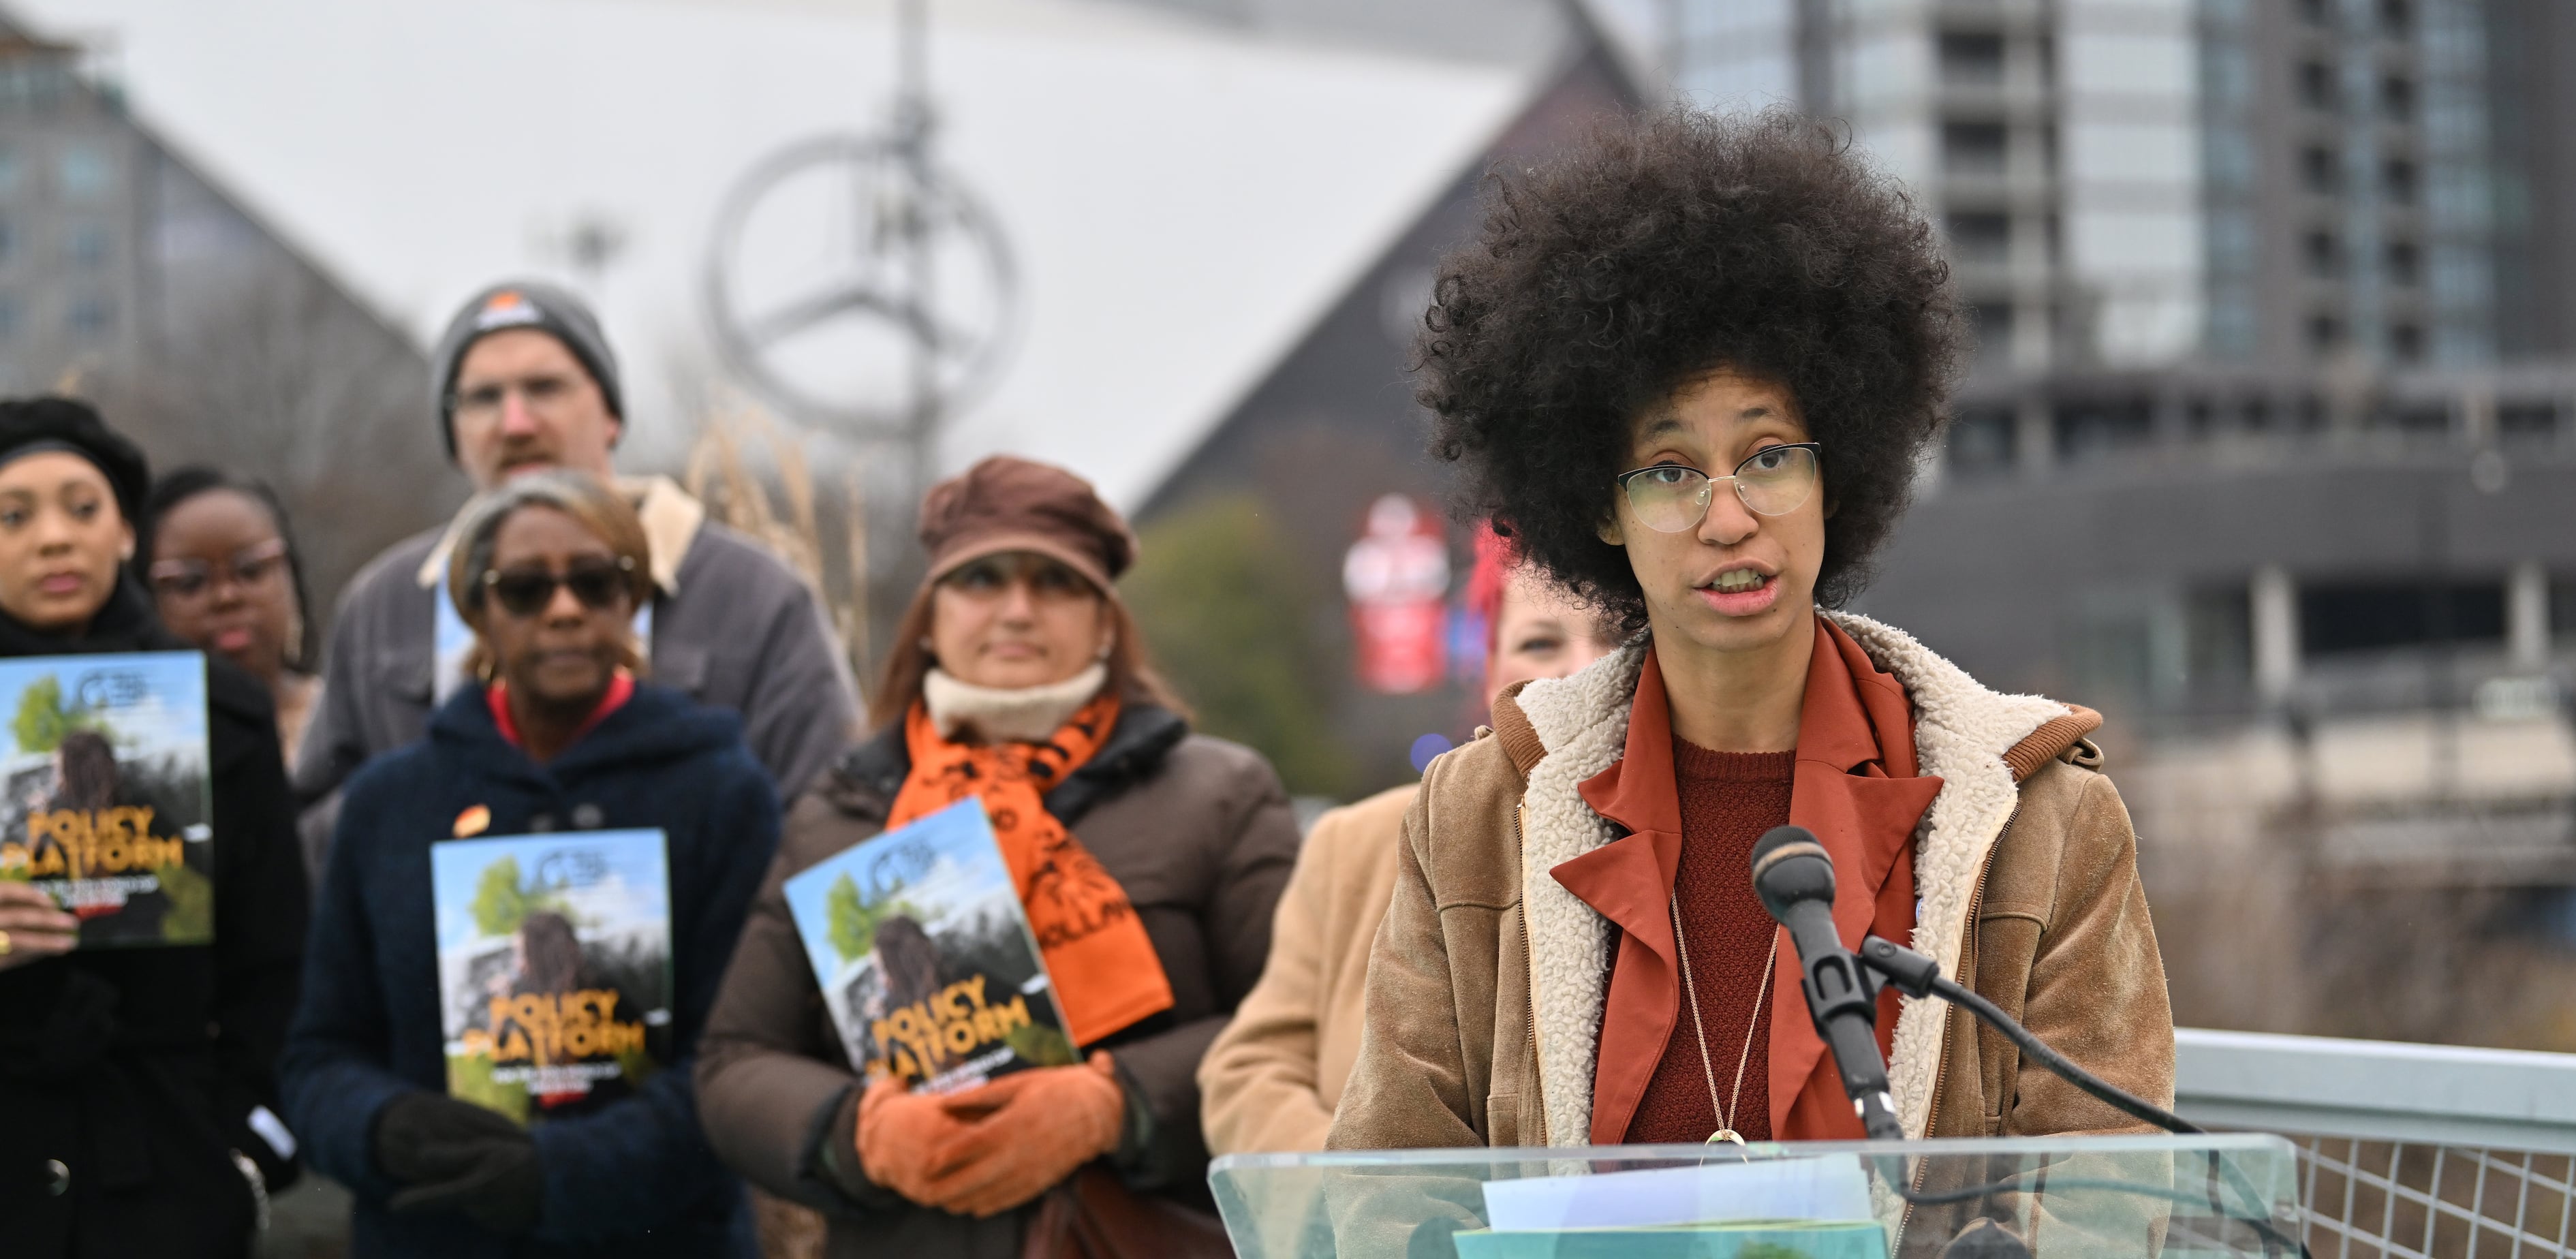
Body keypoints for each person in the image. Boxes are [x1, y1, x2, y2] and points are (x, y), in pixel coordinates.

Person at [1327, 108, 2174, 1160]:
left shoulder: (2043, 822)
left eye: (1769, 456)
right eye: (1672, 472)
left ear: (1838, 475)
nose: (1729, 517)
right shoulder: (1478, 811)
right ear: (1601, 509)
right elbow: (1388, 1189)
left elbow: (2102, 1204)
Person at [696, 455, 1298, 1258]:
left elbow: (1296, 1026)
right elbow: (735, 1062)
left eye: (1055, 583)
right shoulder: (841, 814)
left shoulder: (1218, 794)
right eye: (981, 580)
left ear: (1106, 620)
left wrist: (1114, 1106)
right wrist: (863, 1133)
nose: (1016, 610)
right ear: (931, 615)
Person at [279, 469, 780, 1257]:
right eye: (524, 590)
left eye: (595, 582)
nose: (565, 610)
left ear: (634, 598)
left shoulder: (721, 793)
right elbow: (319, 1054)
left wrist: (561, 1173)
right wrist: (382, 1128)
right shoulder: (389, 804)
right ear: (477, 610)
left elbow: (740, 1059)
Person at [295, 279, 858, 873]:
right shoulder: (386, 604)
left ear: (612, 414)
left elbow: (824, 828)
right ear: (455, 438)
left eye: (546, 388)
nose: (515, 423)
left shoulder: (753, 596)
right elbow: (310, 840)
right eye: (483, 398)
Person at [0, 397, 309, 1258]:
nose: (54, 538)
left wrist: (243, 1157)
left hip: (165, 1178)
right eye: (12, 517)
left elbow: (277, 966)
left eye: (82, 507)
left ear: (128, 534)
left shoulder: (222, 715)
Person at [1197, 524, 1618, 1154]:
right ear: (1487, 667)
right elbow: (1249, 1070)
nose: (1580, 672)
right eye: (1539, 643)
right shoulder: (1354, 845)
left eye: (1616, 639)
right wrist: (1364, 1204)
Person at [144, 466, 323, 762]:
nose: (226, 597)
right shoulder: (137, 744)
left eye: (250, 571)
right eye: (191, 583)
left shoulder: (351, 718)